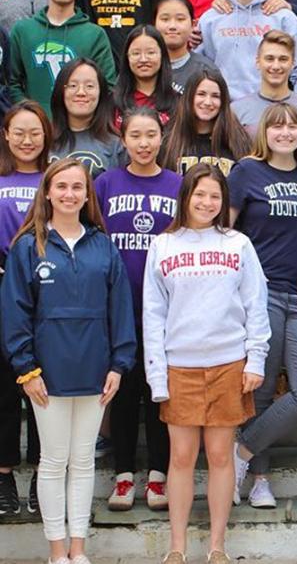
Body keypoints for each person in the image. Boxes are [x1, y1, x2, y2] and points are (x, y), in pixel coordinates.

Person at [1, 157, 135, 564]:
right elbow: (14, 312)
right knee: (54, 460)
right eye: (61, 186)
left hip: (96, 373)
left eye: (78, 187)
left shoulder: (103, 245)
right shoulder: (28, 246)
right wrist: (26, 369)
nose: (69, 194)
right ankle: (56, 551)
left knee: (82, 461)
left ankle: (79, 549)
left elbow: (121, 310)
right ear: (48, 192)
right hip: (48, 375)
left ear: (87, 195)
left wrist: (119, 364)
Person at [142, 163, 270, 564]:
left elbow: (256, 305)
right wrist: (156, 374)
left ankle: (218, 546)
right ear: (185, 197)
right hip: (179, 366)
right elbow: (152, 314)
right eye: (200, 194)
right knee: (179, 458)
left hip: (228, 363)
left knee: (219, 457)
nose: (207, 202)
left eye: (215, 196)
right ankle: (176, 547)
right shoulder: (164, 245)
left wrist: (256, 360)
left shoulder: (238, 244)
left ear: (224, 201)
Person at [229, 103, 297, 508]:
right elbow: (227, 232)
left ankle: (241, 453)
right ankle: (260, 481)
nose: (285, 132)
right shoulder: (247, 172)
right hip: (262, 293)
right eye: (277, 126)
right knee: (261, 391)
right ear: (264, 132)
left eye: (293, 126)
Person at [94, 108, 182, 512]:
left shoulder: (178, 185)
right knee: (125, 392)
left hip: (169, 308)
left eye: (151, 135)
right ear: (123, 139)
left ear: (162, 138)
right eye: (136, 135)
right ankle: (125, 475)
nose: (144, 143)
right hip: (119, 304)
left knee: (160, 391)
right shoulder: (106, 183)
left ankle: (160, 476)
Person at [0, 101, 51, 516]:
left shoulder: (54, 180)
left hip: (45, 290)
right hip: (1, 285)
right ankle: (3, 476)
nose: (27, 139)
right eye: (19, 131)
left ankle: (40, 473)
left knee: (41, 385)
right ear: (6, 134)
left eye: (34, 132)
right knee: (2, 386)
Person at [8, 0, 116, 116]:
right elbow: (12, 83)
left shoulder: (95, 34)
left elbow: (108, 86)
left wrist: (82, 118)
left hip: (80, 129)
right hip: (35, 130)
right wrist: (32, 116)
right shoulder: (23, 31)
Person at [231, 30, 297, 161]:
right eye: (269, 59)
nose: (276, 66)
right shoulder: (236, 111)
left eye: (283, 59)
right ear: (258, 62)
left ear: (293, 63)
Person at [160, 69, 251, 177]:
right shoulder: (169, 142)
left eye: (215, 96)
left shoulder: (239, 142)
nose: (208, 102)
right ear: (189, 97)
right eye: (201, 94)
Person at [49, 58, 124, 178]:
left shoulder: (116, 146)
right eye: (73, 85)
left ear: (101, 92)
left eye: (89, 86)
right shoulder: (43, 139)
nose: (81, 92)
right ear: (60, 91)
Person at [113, 25, 178, 129]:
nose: (143, 59)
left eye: (151, 52)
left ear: (162, 56)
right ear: (127, 57)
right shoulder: (112, 102)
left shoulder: (178, 102)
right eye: (136, 53)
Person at [154, 0, 218, 95]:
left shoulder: (206, 70)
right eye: (165, 19)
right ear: (154, 23)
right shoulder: (143, 65)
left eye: (180, 19)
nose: (172, 26)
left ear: (193, 25)